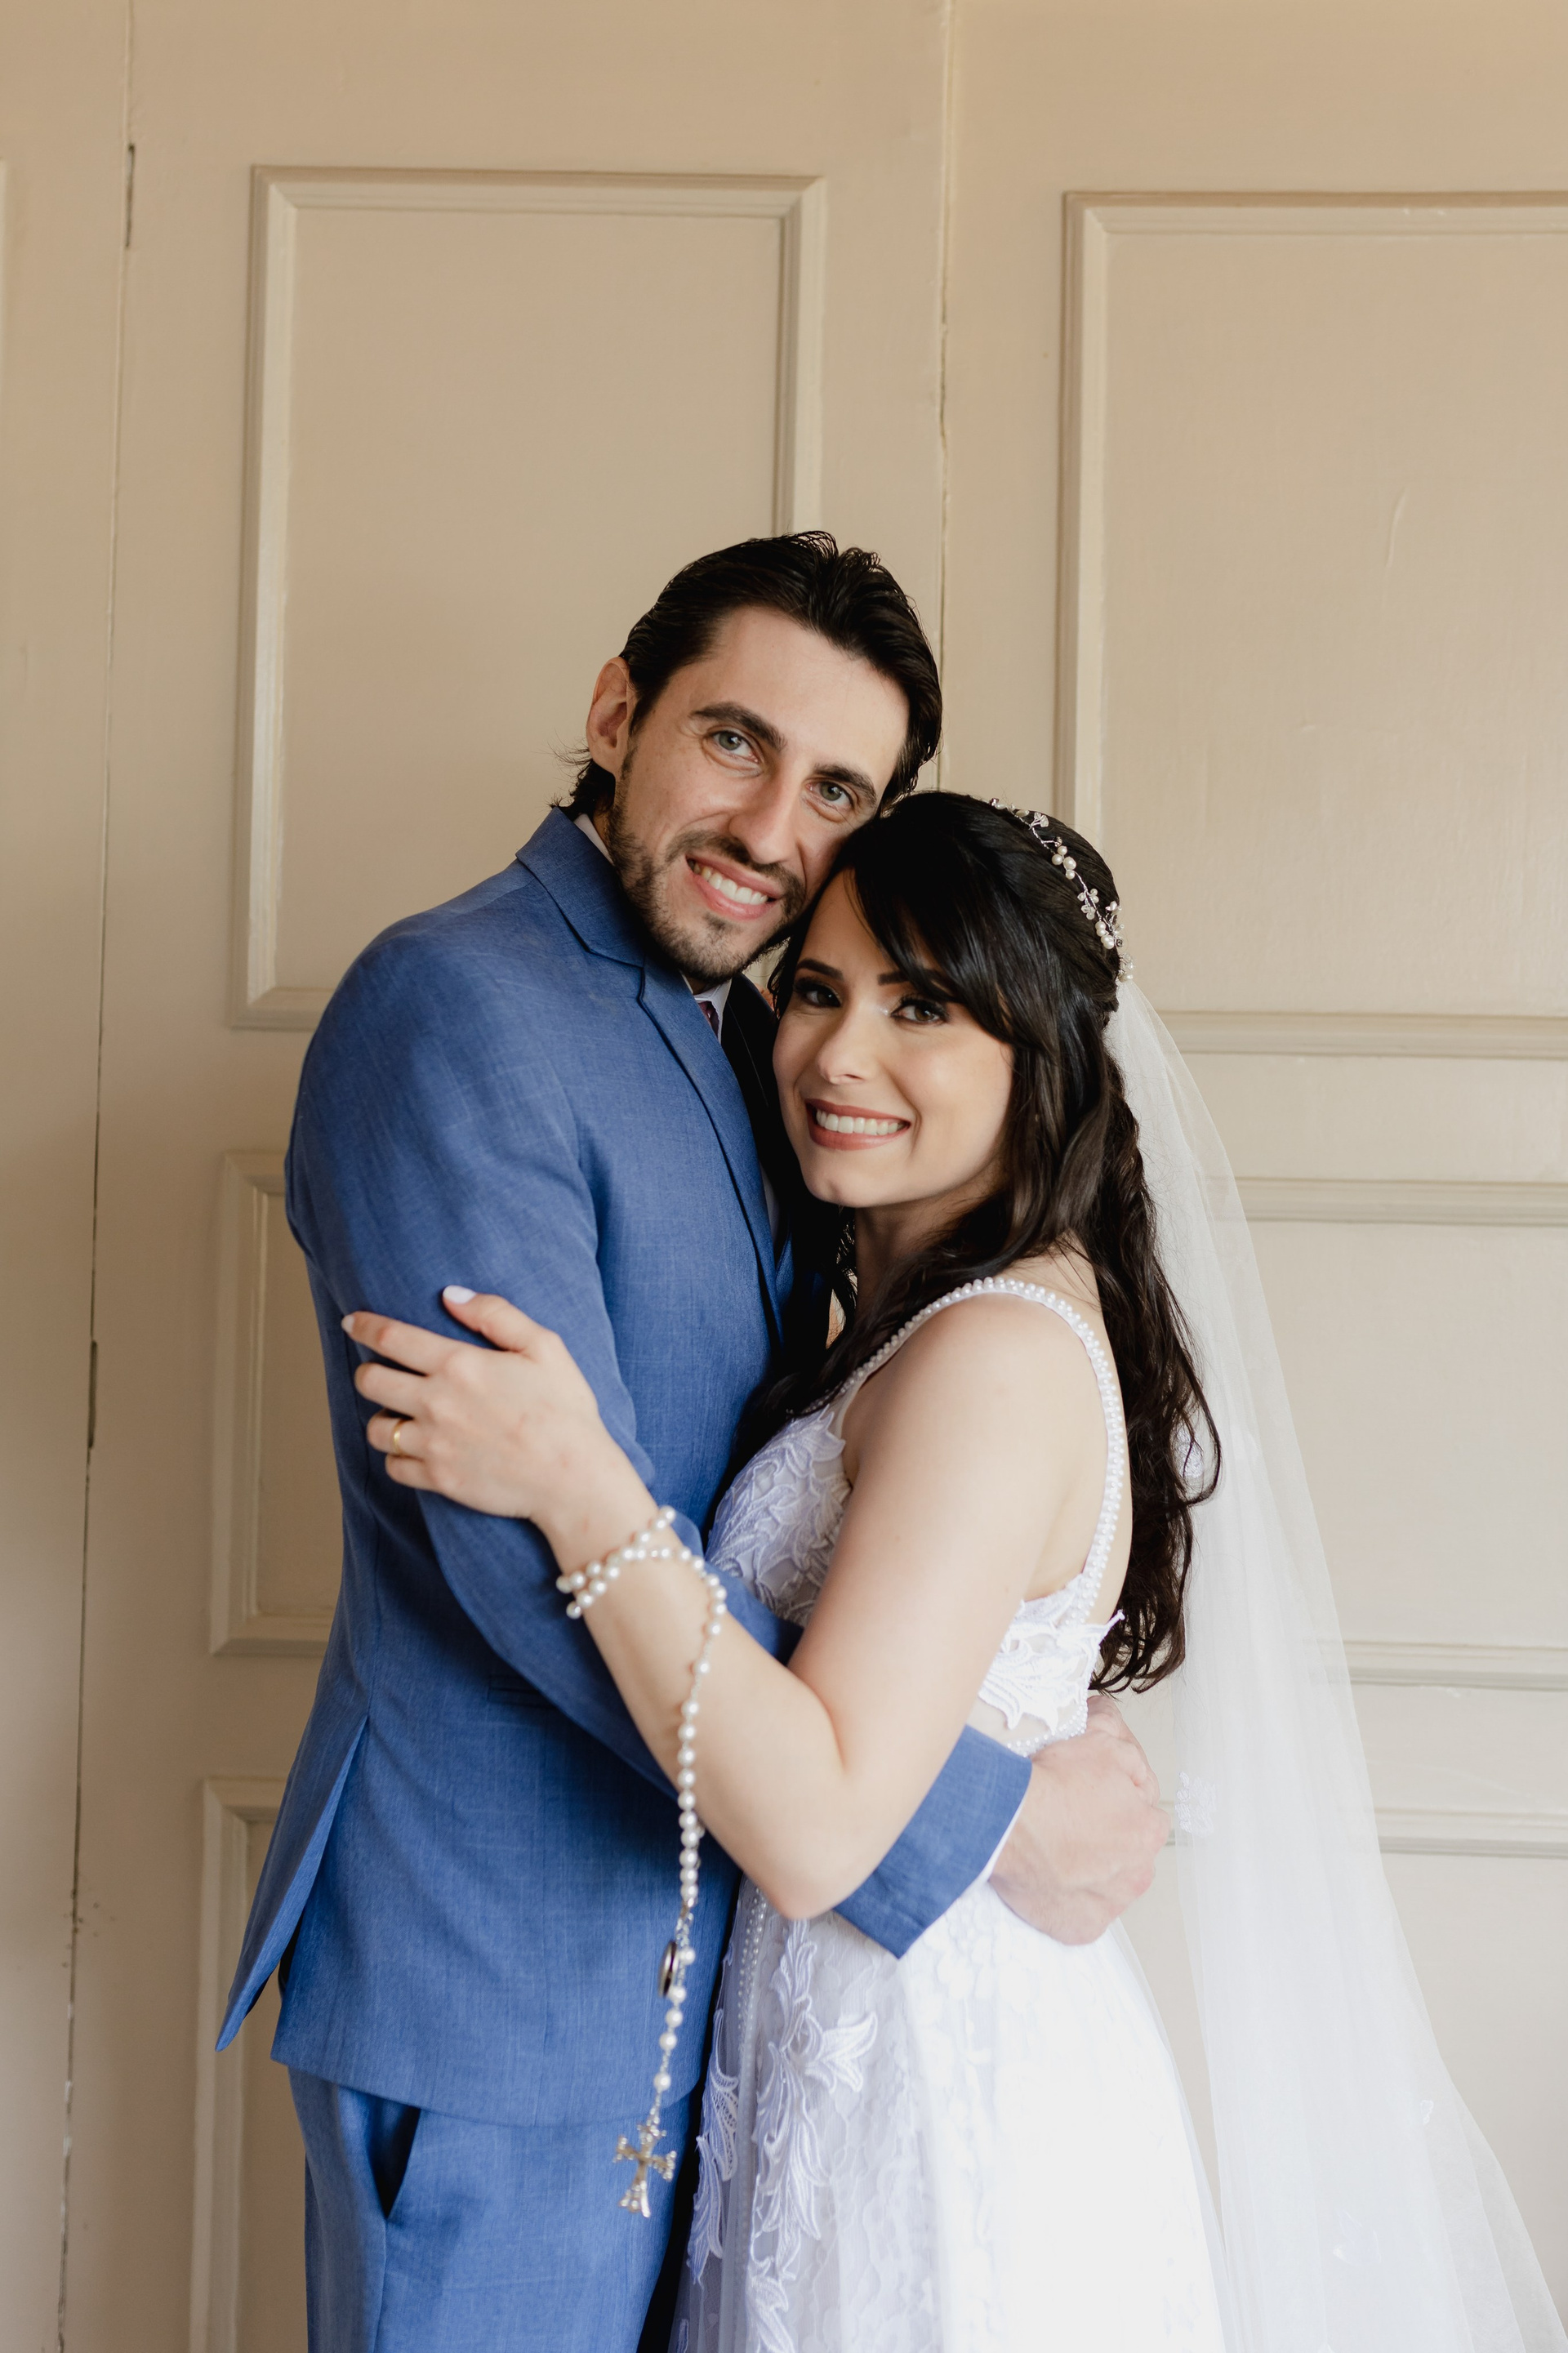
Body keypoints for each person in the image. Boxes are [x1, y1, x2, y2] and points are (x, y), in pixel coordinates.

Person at [350, 793, 1566, 2352]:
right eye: (817, 989)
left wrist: (580, 1484)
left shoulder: (991, 1354)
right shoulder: (920, 1319)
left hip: (933, 2090)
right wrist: (1008, 1807)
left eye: (920, 1005)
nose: (838, 1054)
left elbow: (816, 1827)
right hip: (851, 2047)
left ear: (1036, 1054)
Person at [217, 535, 1169, 2353]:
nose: (768, 829)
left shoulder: (755, 1048)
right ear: (616, 714)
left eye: (837, 791)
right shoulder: (456, 1009)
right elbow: (514, 1551)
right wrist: (969, 1814)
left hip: (720, 2012)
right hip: (504, 1994)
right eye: (734, 740)